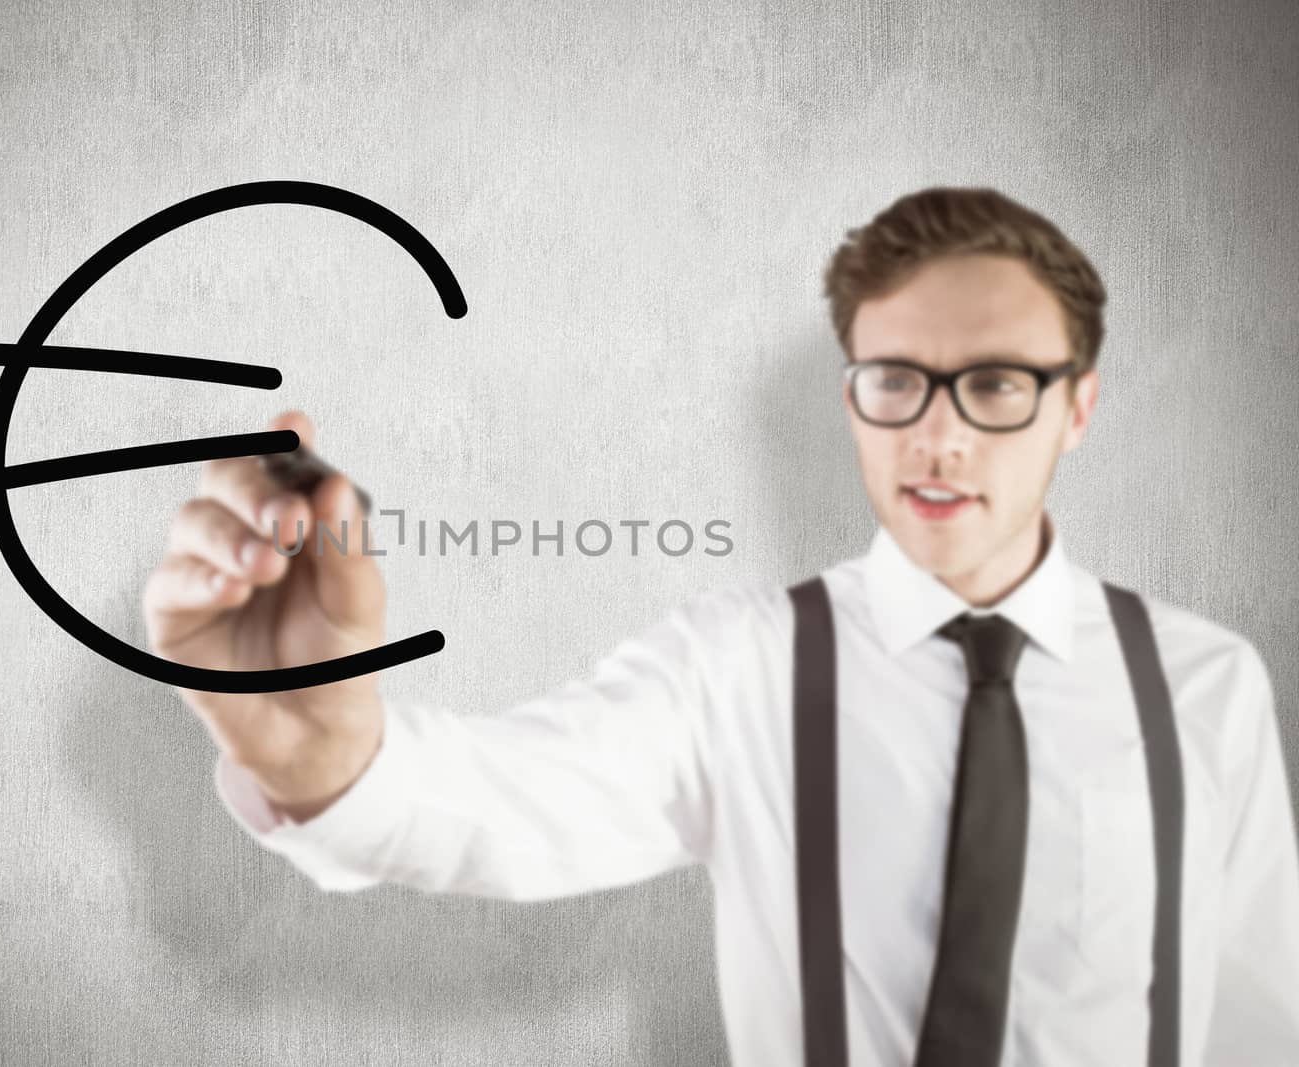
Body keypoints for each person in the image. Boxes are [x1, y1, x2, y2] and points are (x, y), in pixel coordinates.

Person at [141, 187, 1299, 1065]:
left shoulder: (1204, 682)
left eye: (994, 385)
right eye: (894, 380)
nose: (936, 437)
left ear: (1077, 406)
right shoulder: (742, 665)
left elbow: (1259, 1021)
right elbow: (511, 800)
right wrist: (331, 760)